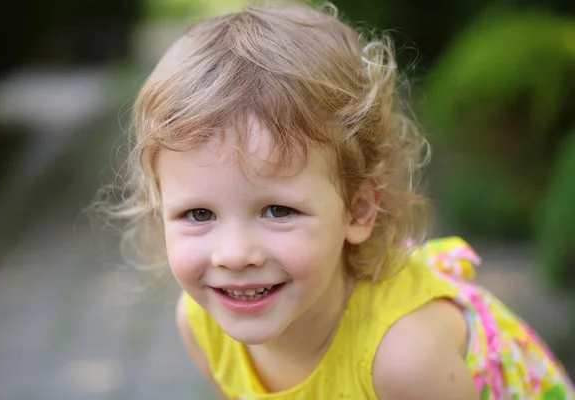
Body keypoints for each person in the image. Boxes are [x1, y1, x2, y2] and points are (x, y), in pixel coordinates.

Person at [112, 1, 575, 398]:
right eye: (198, 213)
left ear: (358, 210)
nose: (234, 255)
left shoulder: (405, 358)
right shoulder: (203, 323)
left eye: (278, 210)